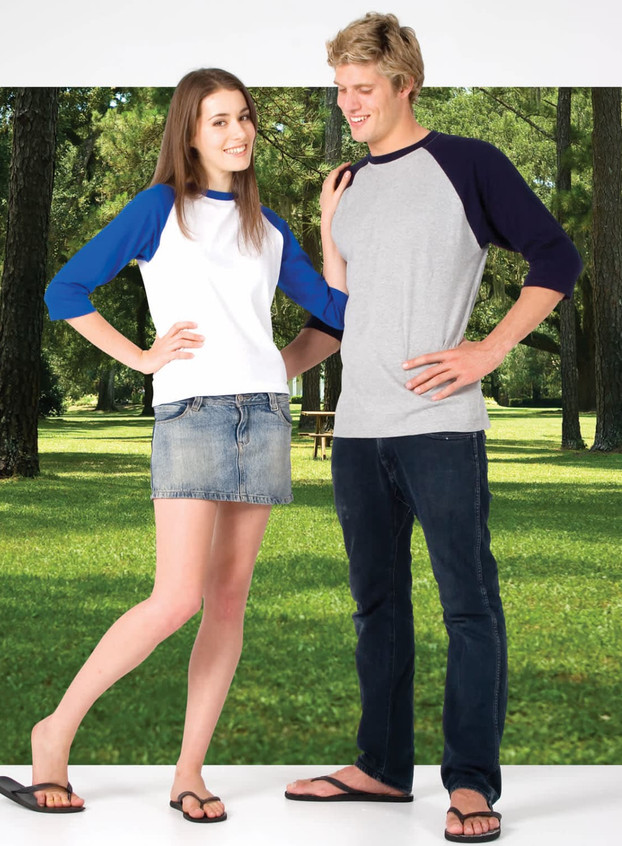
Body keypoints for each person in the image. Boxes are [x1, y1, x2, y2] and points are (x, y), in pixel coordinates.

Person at [0, 68, 346, 823]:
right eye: (218, 121)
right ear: (188, 132)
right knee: (177, 596)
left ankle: (190, 772)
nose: (238, 133)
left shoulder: (268, 227)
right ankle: (52, 733)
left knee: (228, 601)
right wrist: (143, 358)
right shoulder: (160, 209)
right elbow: (65, 292)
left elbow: (337, 314)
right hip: (192, 412)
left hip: (265, 416)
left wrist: (280, 359)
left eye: (244, 118)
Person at [282, 13, 582, 843]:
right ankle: (381, 767)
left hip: (439, 425)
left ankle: (472, 785)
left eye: (363, 89)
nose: (349, 103)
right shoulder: (345, 183)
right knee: (376, 604)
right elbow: (343, 312)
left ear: (404, 84)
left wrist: (487, 349)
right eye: (340, 88)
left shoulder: (468, 164)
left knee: (467, 605)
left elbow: (556, 258)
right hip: (359, 428)